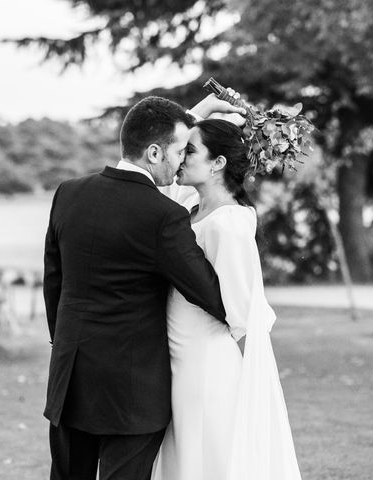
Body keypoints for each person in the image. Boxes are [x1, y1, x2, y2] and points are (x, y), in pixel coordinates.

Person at [43, 95, 246, 480]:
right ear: (154, 152)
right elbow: (210, 294)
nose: (182, 159)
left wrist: (65, 342)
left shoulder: (68, 193)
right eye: (178, 150)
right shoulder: (163, 215)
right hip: (132, 393)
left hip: (70, 380)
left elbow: (54, 281)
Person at [151, 119, 302, 480]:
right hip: (177, 358)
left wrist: (254, 387)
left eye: (190, 151)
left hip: (205, 365)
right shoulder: (190, 205)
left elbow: (241, 313)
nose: (180, 160)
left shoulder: (228, 224)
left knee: (207, 457)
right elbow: (165, 145)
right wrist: (207, 109)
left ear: (217, 163)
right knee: (186, 455)